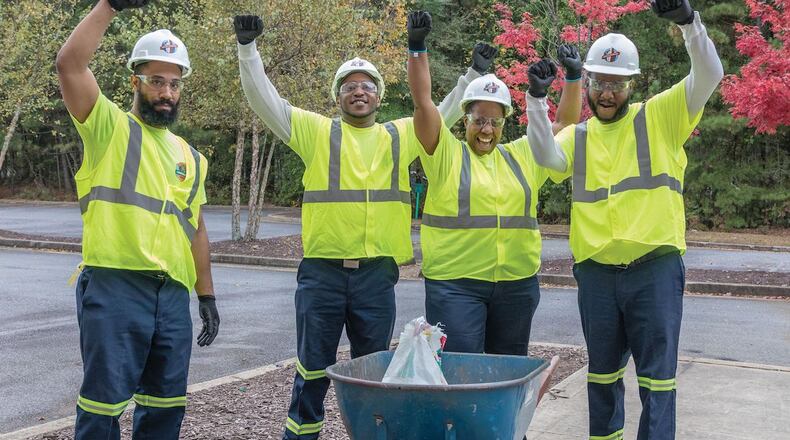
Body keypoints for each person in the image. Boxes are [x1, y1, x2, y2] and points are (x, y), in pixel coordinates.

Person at [233, 15, 496, 440]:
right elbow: (266, 101)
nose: (359, 91)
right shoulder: (316, 132)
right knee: (312, 370)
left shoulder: (400, 135)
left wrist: (473, 75)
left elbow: (439, 111)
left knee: (373, 374)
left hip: (376, 276)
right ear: (338, 96)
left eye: (367, 85)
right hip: (322, 275)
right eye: (350, 86)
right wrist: (248, 50)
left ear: (379, 95)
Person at [526, 0, 723, 438]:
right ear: (589, 83)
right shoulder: (578, 135)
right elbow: (543, 154)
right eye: (599, 82)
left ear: (632, 85)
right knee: (601, 377)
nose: (607, 93)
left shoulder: (662, 116)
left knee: (658, 380)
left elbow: (709, 75)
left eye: (617, 83)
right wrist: (535, 101)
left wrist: (690, 25)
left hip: (654, 268)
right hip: (597, 274)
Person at [56, 1, 220, 438]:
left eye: (174, 83)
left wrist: (206, 295)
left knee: (165, 406)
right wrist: (109, 6)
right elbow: (70, 65)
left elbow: (196, 228)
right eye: (156, 81)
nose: (166, 92)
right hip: (114, 286)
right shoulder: (108, 127)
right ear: (135, 81)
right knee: (102, 406)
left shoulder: (191, 156)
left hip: (171, 297)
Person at [405, 11, 581, 358]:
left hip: (516, 288)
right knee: (461, 373)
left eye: (495, 122)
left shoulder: (524, 155)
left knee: (506, 374)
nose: (486, 130)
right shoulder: (446, 154)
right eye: (478, 120)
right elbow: (424, 105)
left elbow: (564, 125)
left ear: (505, 124)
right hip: (455, 287)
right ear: (465, 118)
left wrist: (574, 77)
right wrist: (416, 47)